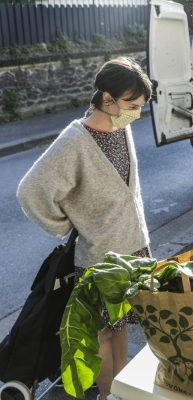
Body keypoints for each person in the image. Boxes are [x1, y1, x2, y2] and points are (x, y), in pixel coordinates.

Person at [17, 57, 152, 400]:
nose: (136, 113)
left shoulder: (122, 125)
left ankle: (123, 392)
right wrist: (66, 224)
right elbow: (30, 189)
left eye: (140, 106)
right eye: (131, 105)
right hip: (101, 258)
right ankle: (109, 396)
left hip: (133, 250)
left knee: (121, 331)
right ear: (107, 99)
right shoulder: (75, 140)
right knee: (103, 336)